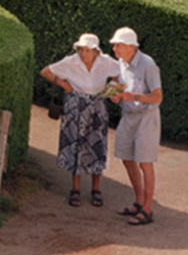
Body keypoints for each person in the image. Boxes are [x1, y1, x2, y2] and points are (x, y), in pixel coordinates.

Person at [39, 33, 122, 207]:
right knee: (76, 144)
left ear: (96, 51)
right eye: (81, 49)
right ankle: (75, 189)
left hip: (97, 105)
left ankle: (96, 189)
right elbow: (45, 72)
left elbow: (122, 71)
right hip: (75, 104)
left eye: (87, 50)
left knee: (97, 145)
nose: (83, 54)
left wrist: (111, 90)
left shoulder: (105, 61)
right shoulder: (71, 61)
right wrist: (66, 86)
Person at [109, 26, 163, 226]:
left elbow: (158, 96)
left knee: (145, 162)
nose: (115, 49)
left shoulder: (148, 64)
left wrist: (134, 96)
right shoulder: (121, 63)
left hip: (147, 117)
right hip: (128, 115)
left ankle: (147, 209)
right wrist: (115, 94)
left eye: (118, 45)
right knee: (127, 159)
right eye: (114, 45)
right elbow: (116, 83)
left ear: (131, 46)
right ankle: (139, 202)